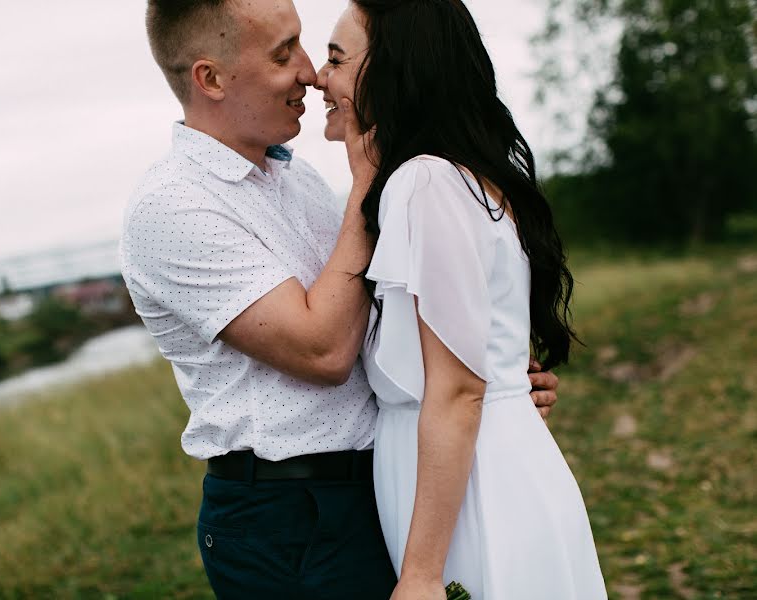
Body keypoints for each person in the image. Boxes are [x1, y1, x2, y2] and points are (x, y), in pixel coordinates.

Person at [120, 1, 559, 598]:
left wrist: (489, 371)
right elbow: (324, 350)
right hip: (287, 515)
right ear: (211, 78)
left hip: (378, 484)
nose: (308, 71)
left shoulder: (296, 179)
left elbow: (382, 318)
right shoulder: (172, 208)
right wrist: (365, 188)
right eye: (283, 54)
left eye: (311, 48)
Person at [314, 1, 608, 598]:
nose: (321, 77)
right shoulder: (451, 178)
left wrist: (421, 575)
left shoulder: (423, 183)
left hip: (475, 502)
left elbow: (457, 389)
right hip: (474, 477)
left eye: (338, 60)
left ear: (393, 73)